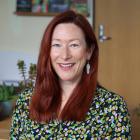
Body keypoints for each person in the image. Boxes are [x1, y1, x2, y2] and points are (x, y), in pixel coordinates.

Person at [10, 10, 131, 139]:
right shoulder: (26, 101)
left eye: (74, 45)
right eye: (57, 44)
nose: (65, 55)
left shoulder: (113, 107)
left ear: (89, 51)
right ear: (48, 51)